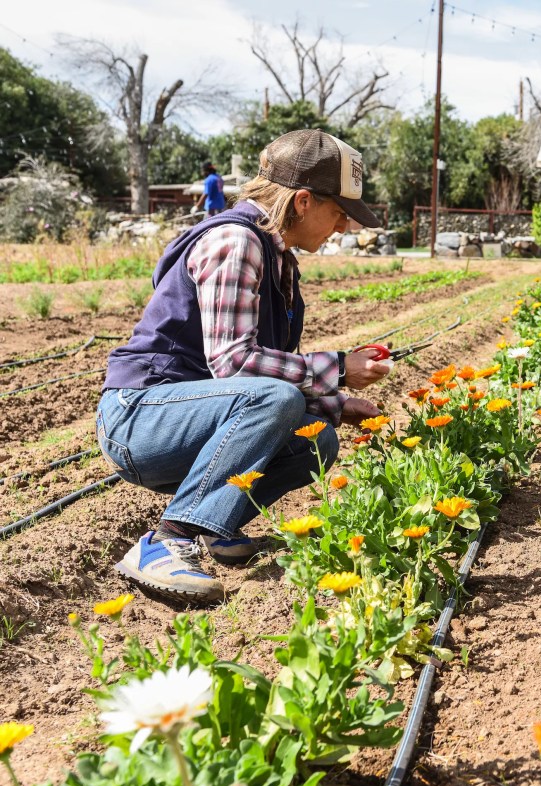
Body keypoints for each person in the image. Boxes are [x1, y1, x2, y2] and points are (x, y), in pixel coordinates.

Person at [97, 129, 389, 604]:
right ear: (302, 202)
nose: (342, 228)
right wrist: (338, 369)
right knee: (277, 399)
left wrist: (337, 404)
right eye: (338, 213)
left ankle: (219, 523)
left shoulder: (277, 258)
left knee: (317, 440)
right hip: (139, 419)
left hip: (188, 415)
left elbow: (249, 375)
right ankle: (166, 541)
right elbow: (235, 364)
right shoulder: (237, 243)